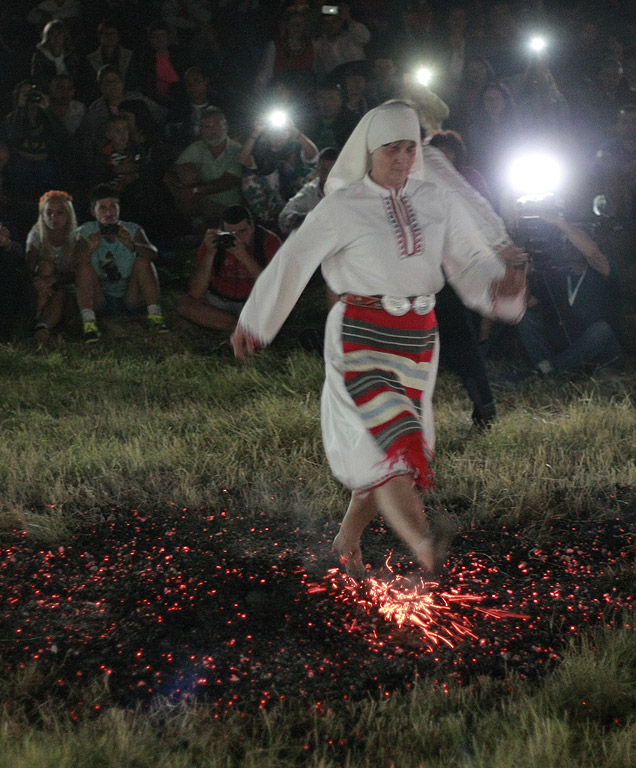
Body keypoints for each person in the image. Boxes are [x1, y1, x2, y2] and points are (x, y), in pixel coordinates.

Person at [231, 101, 527, 577]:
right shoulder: (343, 206)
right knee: (394, 445)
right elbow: (294, 260)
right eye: (392, 149)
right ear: (370, 150)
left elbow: (471, 262)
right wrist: (254, 321)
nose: (404, 158)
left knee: (397, 455)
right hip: (359, 335)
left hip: (417, 341)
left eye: (411, 148)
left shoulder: (437, 200)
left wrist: (504, 283)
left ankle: (347, 539)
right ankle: (426, 548)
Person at [516, 212, 624, 375]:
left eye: (574, 243)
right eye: (566, 243)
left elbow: (592, 254)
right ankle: (549, 369)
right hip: (570, 345)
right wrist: (524, 272)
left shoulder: (603, 271)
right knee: (525, 319)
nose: (571, 247)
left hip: (601, 349)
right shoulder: (557, 277)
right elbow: (526, 304)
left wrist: (560, 223)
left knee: (601, 330)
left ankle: (548, 369)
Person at [75, 184, 167, 342]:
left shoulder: (132, 229)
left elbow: (153, 253)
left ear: (119, 208)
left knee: (143, 261)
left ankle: (155, 317)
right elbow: (73, 263)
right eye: (102, 208)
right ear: (93, 211)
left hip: (130, 297)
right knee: (83, 267)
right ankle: (89, 324)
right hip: (100, 299)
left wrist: (132, 245)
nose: (109, 212)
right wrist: (89, 249)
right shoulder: (85, 232)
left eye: (113, 207)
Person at [177, 205, 281, 331]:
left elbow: (273, 287)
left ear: (252, 227)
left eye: (242, 231)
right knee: (185, 305)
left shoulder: (268, 241)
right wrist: (210, 254)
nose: (237, 238)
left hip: (253, 302)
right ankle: (245, 328)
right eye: (231, 233)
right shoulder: (214, 242)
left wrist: (245, 257)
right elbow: (195, 292)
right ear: (221, 230)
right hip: (219, 300)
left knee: (278, 310)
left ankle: (237, 327)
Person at [164, 105, 242, 231]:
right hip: (201, 205)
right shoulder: (197, 147)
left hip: (229, 206)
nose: (212, 131)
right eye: (207, 127)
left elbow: (230, 181)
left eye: (216, 125)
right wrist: (180, 191)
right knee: (185, 172)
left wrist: (195, 190)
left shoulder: (236, 149)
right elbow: (171, 173)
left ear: (225, 126)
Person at [26, 189, 80, 342]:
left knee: (61, 293)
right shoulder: (36, 235)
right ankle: (36, 323)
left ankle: (41, 326)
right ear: (42, 215)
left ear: (68, 215)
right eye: (49, 212)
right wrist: (41, 282)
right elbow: (29, 266)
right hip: (42, 289)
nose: (53, 217)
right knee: (46, 267)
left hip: (67, 291)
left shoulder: (76, 238)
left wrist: (53, 280)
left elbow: (76, 273)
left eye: (59, 212)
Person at [278, 146, 339, 235]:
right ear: (318, 168)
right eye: (324, 170)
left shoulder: (350, 190)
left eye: (333, 171)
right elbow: (284, 216)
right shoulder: (310, 190)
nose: (328, 175)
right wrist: (305, 219)